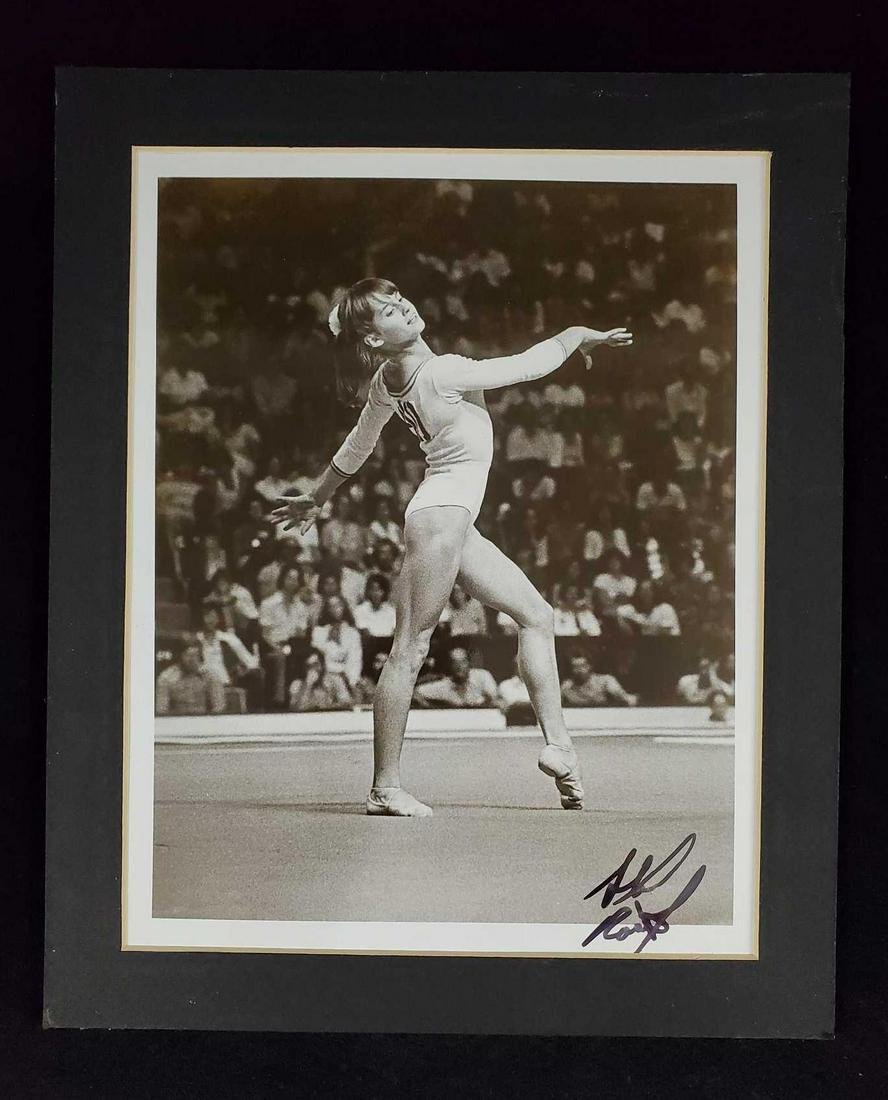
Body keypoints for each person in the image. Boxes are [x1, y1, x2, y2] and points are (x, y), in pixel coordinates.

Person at [273, 277, 632, 815]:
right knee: (410, 648)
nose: (404, 305)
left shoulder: (390, 380)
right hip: (439, 516)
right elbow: (528, 366)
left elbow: (357, 445)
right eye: (388, 311)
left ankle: (560, 747)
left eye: (399, 298)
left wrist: (318, 498)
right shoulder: (444, 371)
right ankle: (384, 788)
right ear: (372, 338)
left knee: (537, 614)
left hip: (455, 522)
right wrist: (577, 332)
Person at [195, 606, 264, 710]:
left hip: (225, 684)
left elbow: (251, 663)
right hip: (201, 687)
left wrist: (242, 671)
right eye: (207, 616)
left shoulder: (228, 639)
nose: (210, 620)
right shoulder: (194, 640)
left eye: (213, 616)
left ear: (218, 619)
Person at [412, 646, 500, 709]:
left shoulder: (482, 676)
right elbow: (414, 693)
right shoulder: (443, 685)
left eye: (463, 661)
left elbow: (496, 699)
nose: (459, 666)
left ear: (469, 664)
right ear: (450, 666)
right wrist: (428, 706)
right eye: (455, 663)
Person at [156, 639, 226, 716]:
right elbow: (161, 710)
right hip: (176, 722)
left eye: (196, 655)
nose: (192, 660)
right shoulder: (166, 677)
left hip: (204, 721)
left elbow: (219, 707)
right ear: (180, 656)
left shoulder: (210, 676)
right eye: (188, 655)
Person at [310, 595, 363, 691]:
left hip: (346, 678)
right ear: (326, 610)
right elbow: (320, 658)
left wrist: (352, 682)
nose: (336, 609)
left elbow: (355, 660)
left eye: (339, 605)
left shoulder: (352, 633)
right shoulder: (319, 632)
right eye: (331, 606)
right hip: (324, 676)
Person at [560, 653, 638, 708]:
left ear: (589, 666)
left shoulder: (605, 681)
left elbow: (626, 698)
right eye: (575, 667)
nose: (579, 670)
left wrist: (626, 698)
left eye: (582, 666)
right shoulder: (567, 686)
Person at [288, 648, 354, 712]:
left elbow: (347, 704)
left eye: (315, 664)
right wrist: (308, 685)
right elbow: (296, 708)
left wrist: (328, 706)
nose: (313, 669)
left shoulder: (335, 680)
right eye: (309, 666)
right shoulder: (297, 684)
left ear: (323, 665)